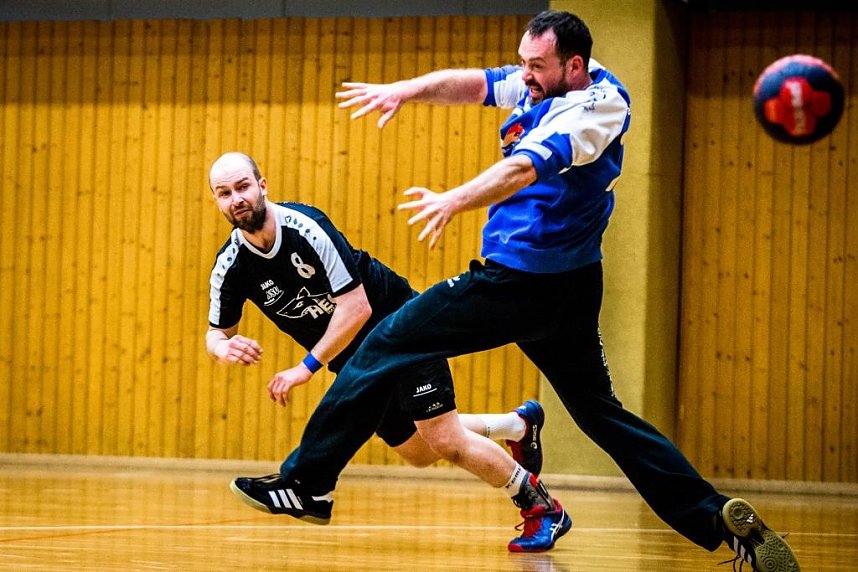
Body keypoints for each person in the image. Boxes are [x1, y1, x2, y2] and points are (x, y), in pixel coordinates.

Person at [229, 11, 800, 570]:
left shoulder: (597, 108)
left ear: (574, 65)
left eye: (536, 65)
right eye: (523, 62)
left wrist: (455, 199)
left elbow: (524, 169)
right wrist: (407, 89)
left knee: (382, 345)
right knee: (603, 416)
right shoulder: (542, 79)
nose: (523, 74)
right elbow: (474, 84)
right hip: (567, 289)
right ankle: (718, 518)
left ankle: (307, 485)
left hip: (521, 283)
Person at [208, 152, 561, 550]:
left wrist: (305, 367)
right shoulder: (231, 264)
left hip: (400, 329)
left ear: (262, 185)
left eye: (242, 187)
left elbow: (357, 307)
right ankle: (516, 425)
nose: (236, 198)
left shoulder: (306, 228)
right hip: (355, 359)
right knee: (419, 451)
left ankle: (540, 506)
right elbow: (215, 332)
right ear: (217, 202)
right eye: (224, 193)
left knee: (443, 439)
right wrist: (223, 347)